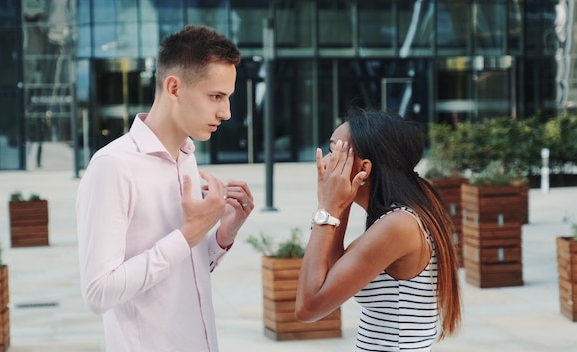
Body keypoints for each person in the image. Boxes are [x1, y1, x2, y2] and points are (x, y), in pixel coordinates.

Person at [76, 25, 254, 352]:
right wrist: (190, 233)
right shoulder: (113, 166)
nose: (226, 112)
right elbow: (98, 293)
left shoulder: (186, 156)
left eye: (228, 98)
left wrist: (220, 237)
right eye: (216, 96)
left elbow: (182, 272)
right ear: (174, 88)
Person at [295, 108, 461, 351]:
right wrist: (337, 205)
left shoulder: (399, 225)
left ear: (364, 169)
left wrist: (327, 209)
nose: (325, 162)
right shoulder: (409, 209)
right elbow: (330, 275)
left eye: (334, 151)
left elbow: (308, 308)